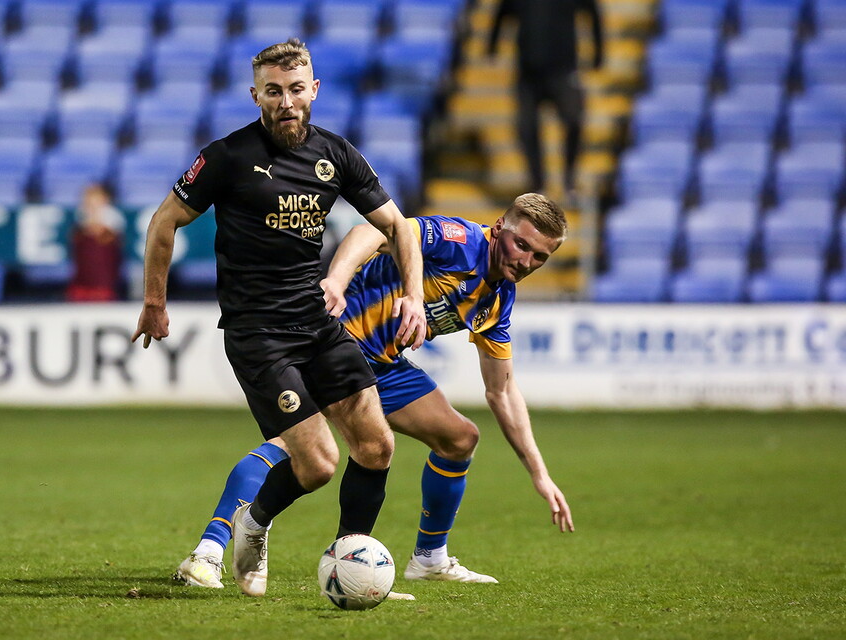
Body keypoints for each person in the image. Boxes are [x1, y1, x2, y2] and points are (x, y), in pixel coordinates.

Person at [131, 39, 426, 598]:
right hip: (258, 333)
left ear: (314, 90)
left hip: (316, 324)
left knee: (377, 446)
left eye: (295, 89)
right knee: (318, 464)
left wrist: (413, 296)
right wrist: (154, 302)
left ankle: (351, 565)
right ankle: (254, 521)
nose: (286, 102)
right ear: (256, 95)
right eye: (273, 91)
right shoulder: (227, 156)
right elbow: (164, 221)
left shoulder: (336, 154)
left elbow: (397, 225)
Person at [173, 193, 574, 591]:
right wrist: (336, 281)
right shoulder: (459, 240)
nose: (526, 261)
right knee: (295, 448)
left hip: (382, 363)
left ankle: (428, 559)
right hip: (333, 342)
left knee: (459, 438)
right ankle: (208, 552)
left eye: (540, 257)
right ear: (500, 228)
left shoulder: (498, 298)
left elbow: (502, 391)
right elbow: (371, 232)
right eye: (521, 245)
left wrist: (540, 475)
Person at [487, 0, 603, 198]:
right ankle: (537, 184)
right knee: (526, 127)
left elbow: (592, 12)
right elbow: (502, 12)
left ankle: (569, 181)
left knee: (574, 119)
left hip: (564, 70)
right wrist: (492, 46)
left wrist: (598, 52)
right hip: (528, 74)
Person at [66, 183, 124, 302]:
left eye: (96, 201)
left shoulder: (114, 225)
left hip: (104, 287)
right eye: (89, 201)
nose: (92, 205)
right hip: (81, 286)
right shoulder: (78, 225)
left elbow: (109, 241)